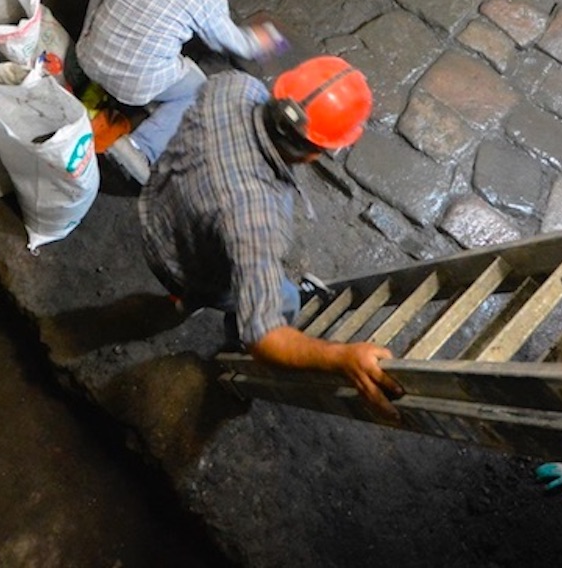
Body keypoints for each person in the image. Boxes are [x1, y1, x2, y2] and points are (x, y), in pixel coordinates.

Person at [137, 55, 403, 416]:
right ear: (315, 155)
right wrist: (342, 356)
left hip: (157, 213)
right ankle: (229, 347)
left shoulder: (233, 86)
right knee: (285, 298)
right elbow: (265, 335)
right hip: (190, 266)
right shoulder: (257, 218)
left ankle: (182, 301)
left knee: (215, 270)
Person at [78, 0, 285, 183]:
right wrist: (263, 39)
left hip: (87, 54)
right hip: (136, 84)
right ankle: (140, 148)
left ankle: (99, 81)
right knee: (198, 90)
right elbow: (230, 42)